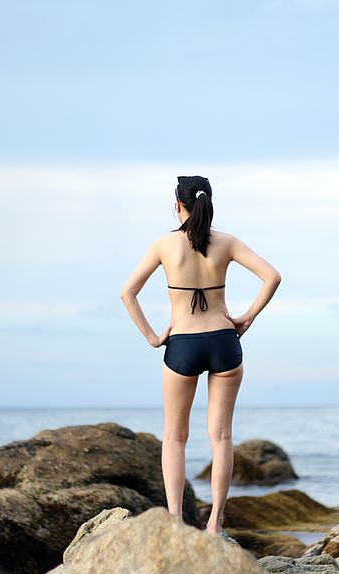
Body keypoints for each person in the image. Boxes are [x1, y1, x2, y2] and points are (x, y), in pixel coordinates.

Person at [120, 175, 281, 538]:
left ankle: (176, 524)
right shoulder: (227, 241)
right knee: (221, 437)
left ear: (178, 205)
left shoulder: (164, 244)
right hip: (225, 340)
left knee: (175, 438)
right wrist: (247, 317)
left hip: (184, 344)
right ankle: (214, 525)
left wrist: (151, 336)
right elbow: (272, 276)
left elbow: (128, 293)